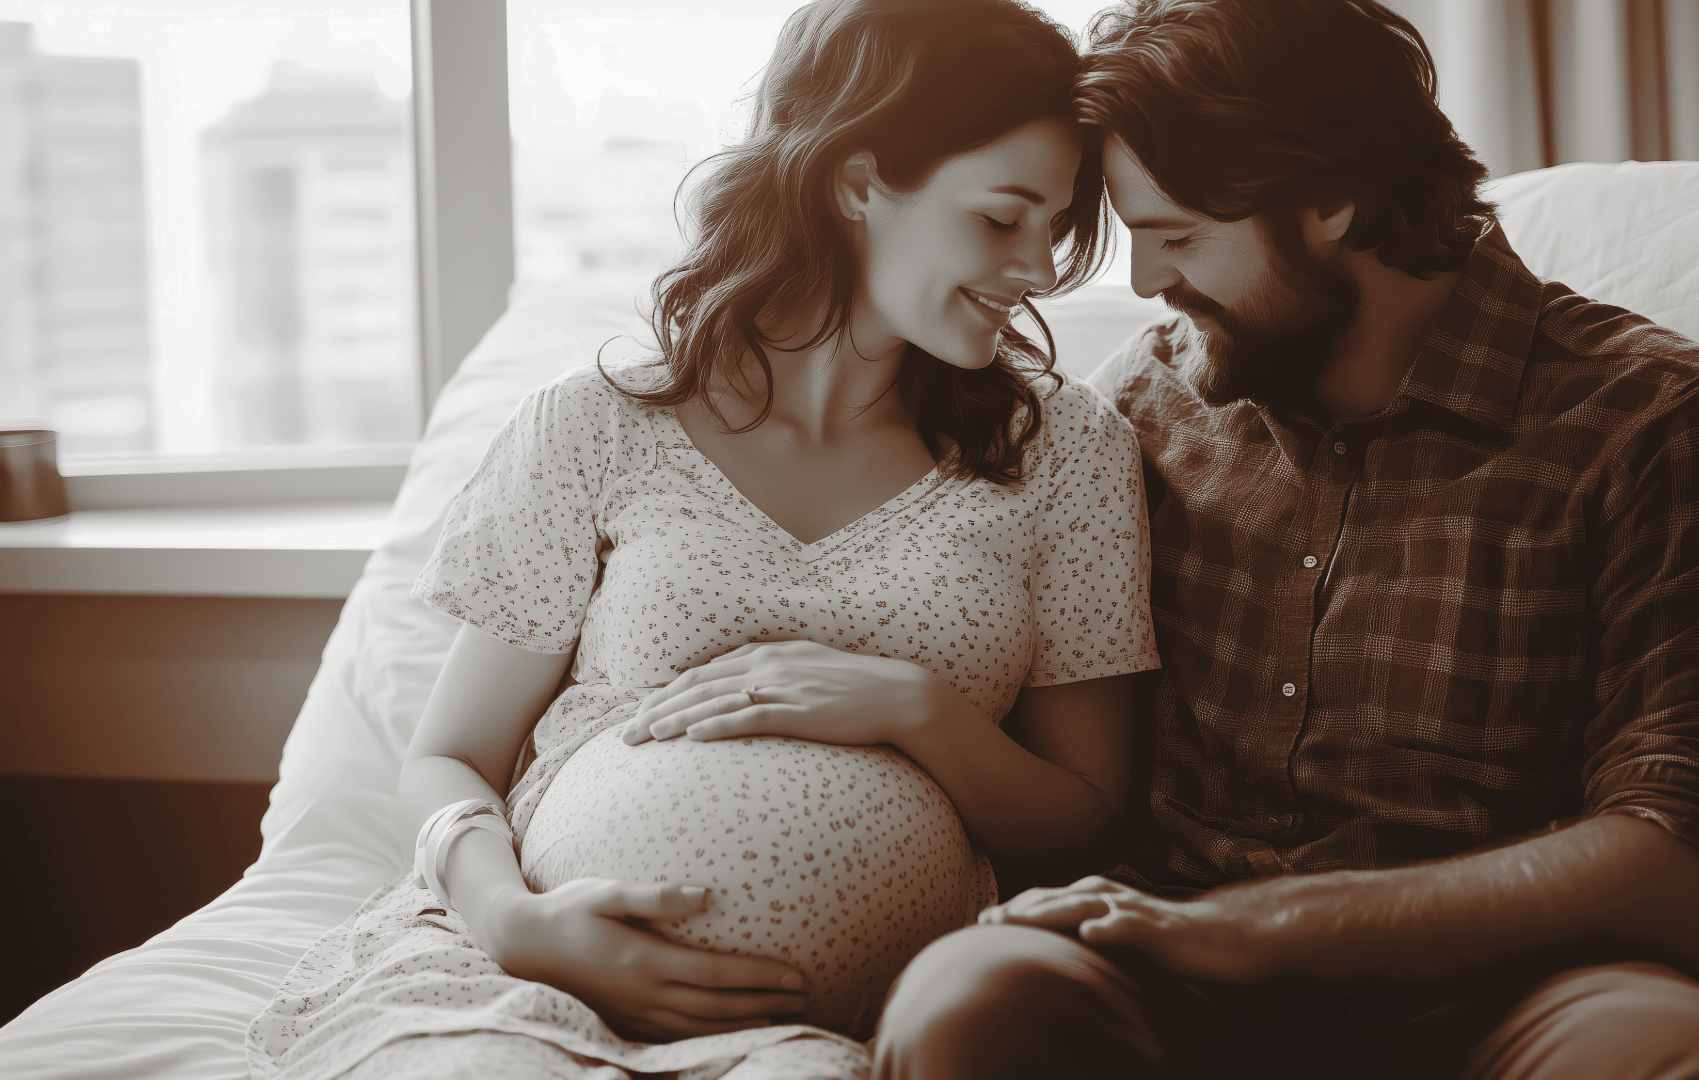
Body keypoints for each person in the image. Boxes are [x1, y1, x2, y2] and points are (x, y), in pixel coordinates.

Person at [871, 2, 1699, 1078]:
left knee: (1689, 1060)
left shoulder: (1657, 421)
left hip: (1508, 990)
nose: (1146, 283)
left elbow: (1691, 869)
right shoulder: (1144, 404)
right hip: (1160, 969)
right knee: (969, 1001)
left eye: (1179, 237)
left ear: (1334, 199)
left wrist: (1268, 925)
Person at [244, 1, 1159, 1076]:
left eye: (1055, 231)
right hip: (524, 983)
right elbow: (449, 758)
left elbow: (1087, 820)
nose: (1040, 271)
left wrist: (914, 711)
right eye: (1004, 220)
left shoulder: (1065, 451)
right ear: (857, 180)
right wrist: (511, 921)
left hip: (846, 1028)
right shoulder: (596, 427)